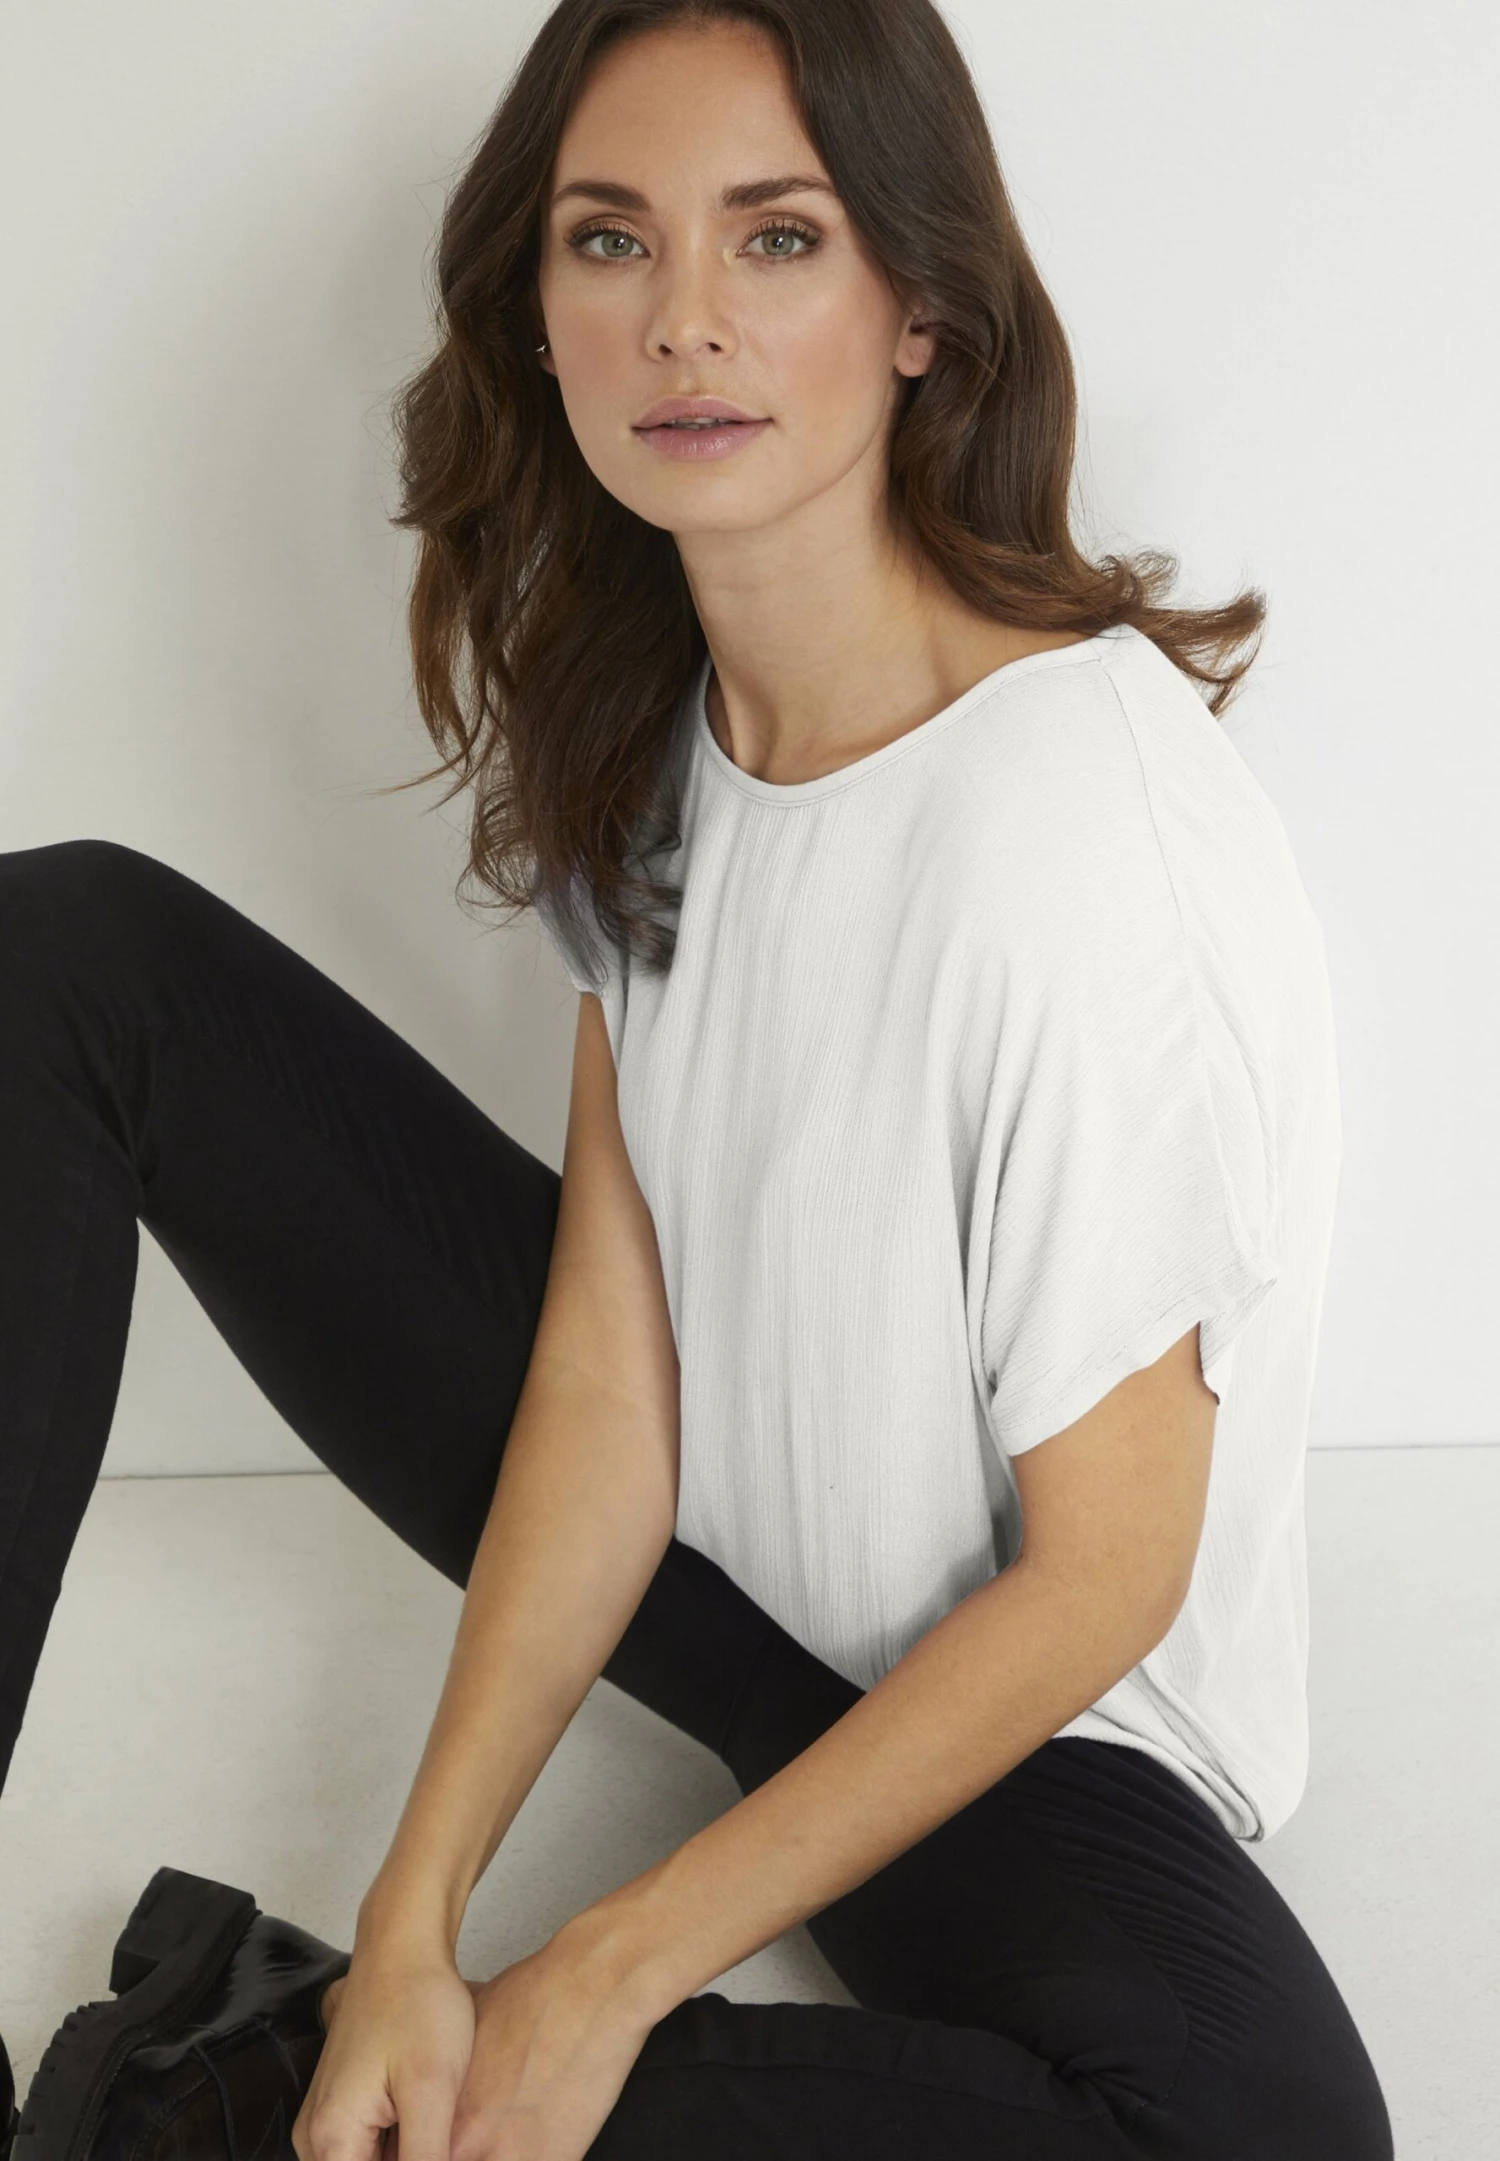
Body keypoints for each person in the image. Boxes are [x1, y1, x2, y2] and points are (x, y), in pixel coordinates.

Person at [2, 2, 1395, 2157]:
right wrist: (412, 1916)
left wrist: (610, 1960)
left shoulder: (1079, 832)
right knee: (71, 955)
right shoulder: (668, 718)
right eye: (610, 240)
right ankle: (354, 2044)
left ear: (922, 307)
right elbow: (611, 1366)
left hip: (1046, 1733)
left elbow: (1104, 1579)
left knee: (1266, 2137)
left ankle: (235, 2094)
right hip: (739, 1594)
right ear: (539, 314)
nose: (682, 320)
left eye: (776, 237)